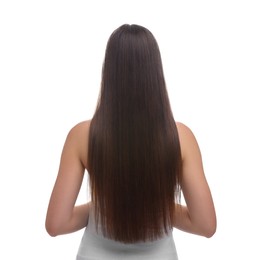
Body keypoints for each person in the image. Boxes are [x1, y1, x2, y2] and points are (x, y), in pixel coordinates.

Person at [45, 24, 216, 260]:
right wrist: (153, 207)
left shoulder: (81, 136)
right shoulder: (180, 137)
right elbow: (205, 225)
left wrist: (104, 208)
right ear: (155, 71)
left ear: (109, 71)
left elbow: (57, 224)